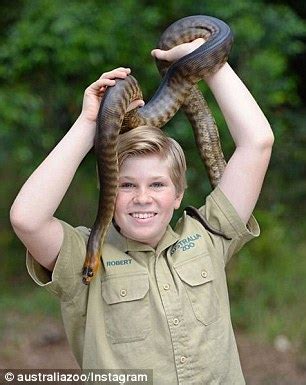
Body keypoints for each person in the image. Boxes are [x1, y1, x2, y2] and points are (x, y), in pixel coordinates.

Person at [10, 38, 274, 384]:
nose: (142, 198)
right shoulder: (83, 260)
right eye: (126, 185)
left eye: (158, 185)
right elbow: (26, 218)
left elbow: (258, 142)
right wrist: (92, 122)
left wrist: (209, 61)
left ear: (178, 194)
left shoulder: (209, 237)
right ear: (109, 189)